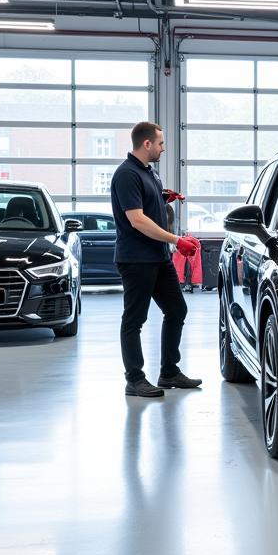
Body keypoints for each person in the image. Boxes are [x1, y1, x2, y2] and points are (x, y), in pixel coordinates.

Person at [111, 121, 201, 398]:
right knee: (134, 319)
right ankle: (134, 379)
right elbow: (137, 220)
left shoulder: (149, 173)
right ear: (147, 143)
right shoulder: (126, 174)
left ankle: (169, 371)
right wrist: (176, 240)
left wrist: (163, 197)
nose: (163, 148)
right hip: (137, 259)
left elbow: (147, 203)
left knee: (177, 310)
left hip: (157, 257)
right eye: (160, 143)